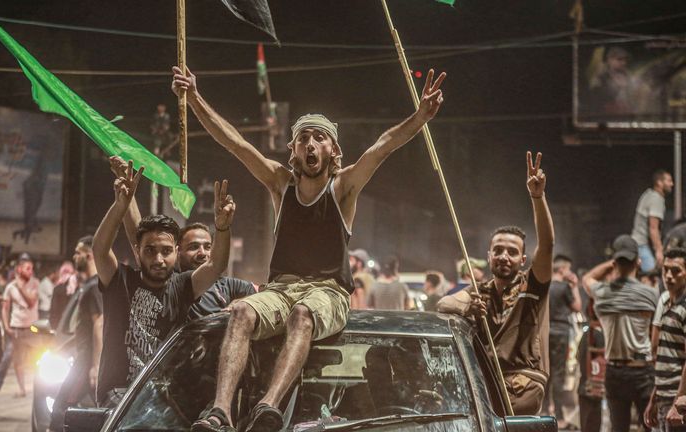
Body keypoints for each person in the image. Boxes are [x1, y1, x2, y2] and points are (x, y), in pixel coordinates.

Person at [172, 63, 445, 432]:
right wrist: (194, 99)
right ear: (294, 150)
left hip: (327, 292)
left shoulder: (343, 187)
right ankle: (220, 411)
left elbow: (382, 148)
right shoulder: (279, 183)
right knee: (240, 312)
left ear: (333, 150)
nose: (311, 144)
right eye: (304, 138)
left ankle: (268, 406)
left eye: (319, 137)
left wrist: (420, 117)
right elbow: (236, 143)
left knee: (302, 314)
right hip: (280, 288)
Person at [92, 161, 235, 406]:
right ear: (137, 252)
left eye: (166, 251)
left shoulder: (182, 286)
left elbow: (216, 265)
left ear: (176, 252)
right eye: (150, 250)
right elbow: (99, 248)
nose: (158, 259)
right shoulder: (121, 281)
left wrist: (222, 227)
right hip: (119, 399)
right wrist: (120, 206)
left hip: (166, 402)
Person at [437, 151, 555, 415]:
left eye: (512, 252)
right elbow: (444, 303)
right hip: (486, 381)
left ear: (523, 259)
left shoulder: (532, 286)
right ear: (488, 256)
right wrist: (466, 308)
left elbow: (547, 244)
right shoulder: (481, 292)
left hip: (523, 383)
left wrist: (538, 197)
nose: (504, 256)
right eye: (498, 250)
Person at [582, 234, 658, 432]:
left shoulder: (602, 293)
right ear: (637, 261)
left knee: (619, 428)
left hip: (614, 370)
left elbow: (587, 279)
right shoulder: (650, 294)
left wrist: (610, 264)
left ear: (615, 261)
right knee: (651, 425)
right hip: (643, 369)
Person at [49, 236, 103, 432]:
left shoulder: (96, 285)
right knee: (100, 412)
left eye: (78, 253)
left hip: (85, 362)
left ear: (89, 256)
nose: (74, 256)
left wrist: (96, 366)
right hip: (83, 359)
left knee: (59, 410)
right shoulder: (89, 285)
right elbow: (86, 328)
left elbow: (100, 324)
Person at [0, 253, 40, 397]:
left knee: (40, 358)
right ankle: (16, 387)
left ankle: (43, 387)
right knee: (13, 358)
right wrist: (6, 326)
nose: (30, 271)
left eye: (31, 269)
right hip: (15, 328)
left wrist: (20, 287)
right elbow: (5, 307)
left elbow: (31, 302)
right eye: (27, 269)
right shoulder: (10, 287)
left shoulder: (35, 283)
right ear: (19, 269)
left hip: (32, 328)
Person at [644, 248, 686, 432]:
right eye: (665, 270)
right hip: (664, 396)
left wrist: (679, 401)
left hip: (677, 400)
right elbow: (664, 356)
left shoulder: (684, 308)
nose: (669, 276)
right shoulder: (667, 304)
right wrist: (654, 398)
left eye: (676, 270)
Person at [543, 254, 582, 427]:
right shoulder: (565, 287)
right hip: (560, 332)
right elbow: (577, 307)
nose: (570, 272)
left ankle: (544, 411)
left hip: (545, 331)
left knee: (546, 373)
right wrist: (575, 286)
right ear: (562, 269)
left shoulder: (545, 286)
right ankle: (559, 417)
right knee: (558, 373)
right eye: (568, 269)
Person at [632, 169, 674, 272]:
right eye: (669, 181)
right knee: (654, 277)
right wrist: (659, 251)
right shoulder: (656, 199)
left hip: (637, 243)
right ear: (660, 182)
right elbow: (653, 228)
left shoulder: (649, 194)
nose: (672, 184)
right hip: (642, 245)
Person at [577, 299, 605, 432]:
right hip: (592, 387)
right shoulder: (595, 334)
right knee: (591, 423)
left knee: (589, 423)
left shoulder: (590, 333)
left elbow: (579, 356)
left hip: (588, 386)